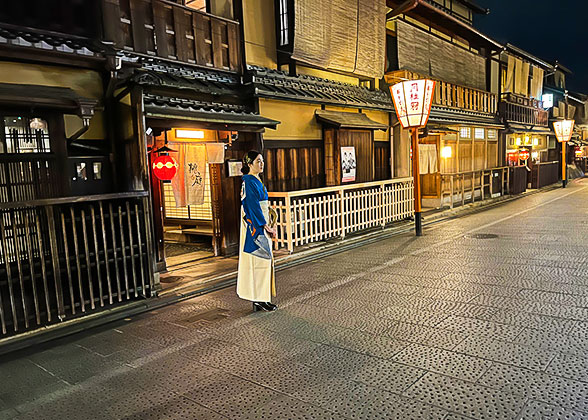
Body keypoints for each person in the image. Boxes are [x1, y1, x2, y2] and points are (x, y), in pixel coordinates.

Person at [237, 150, 278, 312]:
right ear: (249, 164)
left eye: (262, 161)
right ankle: (258, 299)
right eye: (258, 161)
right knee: (259, 261)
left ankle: (263, 298)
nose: (261, 164)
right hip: (255, 226)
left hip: (262, 221)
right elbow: (252, 206)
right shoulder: (248, 181)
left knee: (265, 262)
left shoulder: (256, 180)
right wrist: (264, 225)